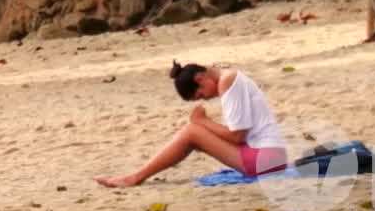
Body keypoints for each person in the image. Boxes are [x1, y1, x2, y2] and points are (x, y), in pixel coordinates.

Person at [94, 60, 288, 188]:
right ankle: (136, 176)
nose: (207, 98)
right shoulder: (229, 79)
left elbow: (237, 136)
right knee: (193, 130)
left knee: (191, 132)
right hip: (268, 157)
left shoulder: (227, 81)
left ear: (200, 79)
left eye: (201, 95)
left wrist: (203, 122)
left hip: (266, 160)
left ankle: (135, 177)